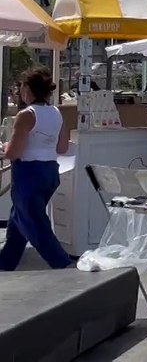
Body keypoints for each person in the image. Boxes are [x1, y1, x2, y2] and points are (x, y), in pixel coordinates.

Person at [0, 68, 72, 271]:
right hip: (49, 170)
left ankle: (63, 264)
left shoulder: (26, 115)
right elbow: (62, 147)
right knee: (19, 218)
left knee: (34, 222)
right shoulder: (56, 112)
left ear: (28, 88)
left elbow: (13, 152)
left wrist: (4, 148)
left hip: (28, 172)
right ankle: (5, 262)